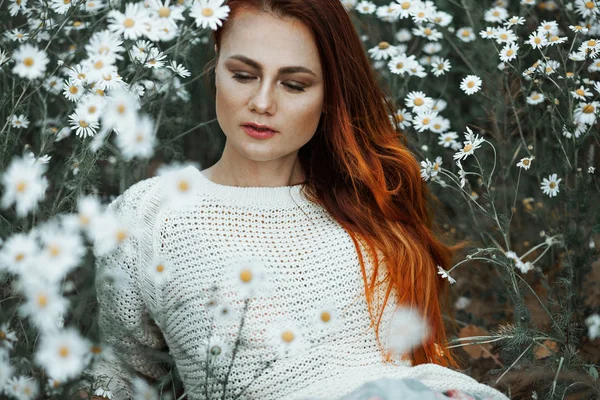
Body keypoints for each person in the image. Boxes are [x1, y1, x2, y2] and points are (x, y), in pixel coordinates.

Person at [86, 1, 509, 399]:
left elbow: (407, 365)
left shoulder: (367, 206)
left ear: (328, 97)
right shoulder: (149, 214)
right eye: (244, 75)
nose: (262, 103)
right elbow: (124, 377)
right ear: (215, 68)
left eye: (294, 84)